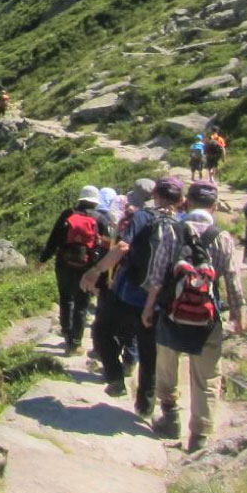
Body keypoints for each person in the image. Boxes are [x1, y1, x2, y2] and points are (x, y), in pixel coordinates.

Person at [143, 181, 246, 452]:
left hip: (172, 313)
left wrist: (148, 308)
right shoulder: (222, 237)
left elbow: (156, 275)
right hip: (207, 318)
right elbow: (233, 279)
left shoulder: (173, 232)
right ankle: (199, 437)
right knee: (208, 377)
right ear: (213, 206)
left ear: (186, 202)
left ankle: (170, 416)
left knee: (167, 365)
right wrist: (238, 314)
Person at [84, 176, 178, 416]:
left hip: (130, 293)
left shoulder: (142, 217)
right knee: (149, 353)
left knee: (102, 330)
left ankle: (115, 378)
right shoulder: (181, 224)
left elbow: (123, 247)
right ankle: (145, 407)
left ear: (155, 195)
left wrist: (96, 271)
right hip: (158, 300)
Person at [41, 185, 111, 355]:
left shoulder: (68, 214)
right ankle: (76, 343)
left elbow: (54, 238)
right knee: (82, 303)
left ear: (80, 199)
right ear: (95, 202)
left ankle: (66, 334)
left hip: (63, 263)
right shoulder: (100, 219)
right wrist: (101, 271)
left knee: (65, 298)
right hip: (86, 267)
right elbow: (107, 247)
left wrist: (42, 259)